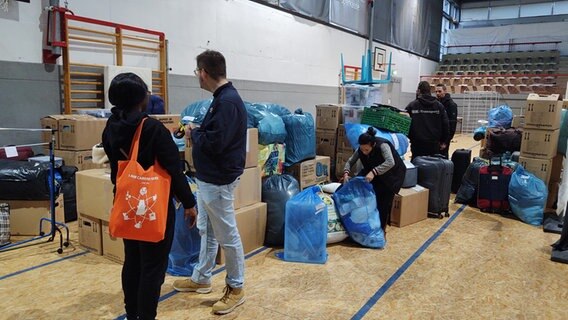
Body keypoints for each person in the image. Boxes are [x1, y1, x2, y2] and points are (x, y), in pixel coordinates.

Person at [102, 73, 197, 320]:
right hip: (155, 206)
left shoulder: (111, 125)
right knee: (153, 267)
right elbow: (174, 171)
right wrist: (189, 203)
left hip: (126, 204)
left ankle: (132, 314)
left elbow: (115, 169)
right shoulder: (153, 129)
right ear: (141, 98)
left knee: (132, 260)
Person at [173, 50, 248, 315]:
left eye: (197, 72)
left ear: (203, 72)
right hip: (209, 179)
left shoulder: (227, 102)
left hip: (218, 180)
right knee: (207, 228)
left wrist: (195, 135)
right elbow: (216, 134)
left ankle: (236, 288)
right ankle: (202, 277)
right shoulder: (221, 99)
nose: (197, 77)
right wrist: (199, 130)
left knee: (227, 235)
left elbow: (217, 143)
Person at [342, 127, 406, 233]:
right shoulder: (361, 149)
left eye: (367, 150)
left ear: (373, 145)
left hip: (391, 175)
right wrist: (346, 173)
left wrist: (374, 172)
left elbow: (390, 162)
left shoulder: (383, 145)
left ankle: (381, 231)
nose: (364, 152)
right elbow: (350, 161)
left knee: (383, 203)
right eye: (362, 149)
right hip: (373, 172)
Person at [405, 81, 450, 159]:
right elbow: (446, 125)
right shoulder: (439, 106)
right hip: (434, 144)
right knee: (433, 166)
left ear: (419, 91)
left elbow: (404, 123)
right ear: (430, 91)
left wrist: (410, 137)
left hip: (417, 143)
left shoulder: (412, 105)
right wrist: (444, 141)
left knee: (418, 166)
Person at [435, 84, 458, 158]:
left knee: (443, 158)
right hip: (436, 137)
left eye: (439, 91)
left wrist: (446, 141)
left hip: (444, 138)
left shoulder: (451, 105)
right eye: (436, 91)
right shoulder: (435, 103)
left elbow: (452, 125)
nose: (437, 93)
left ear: (445, 91)